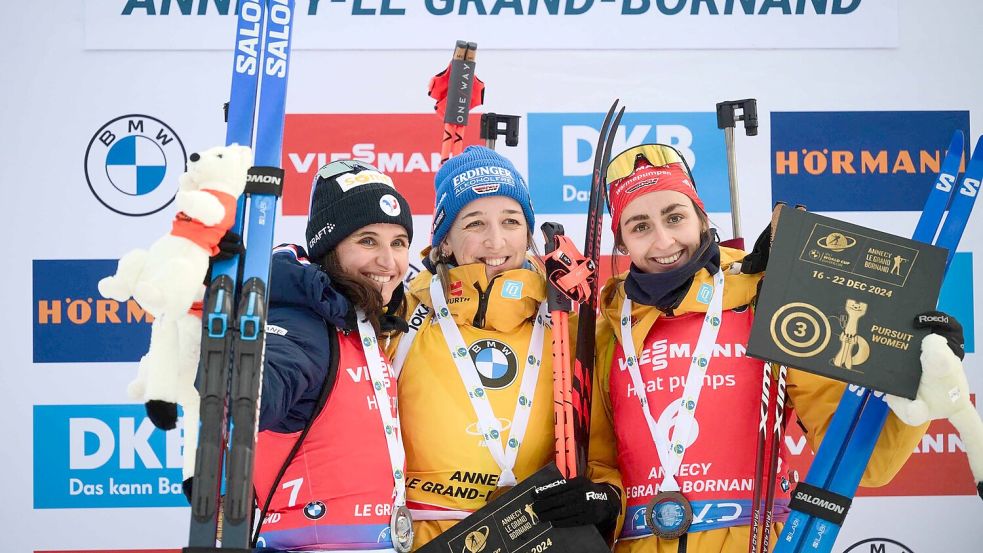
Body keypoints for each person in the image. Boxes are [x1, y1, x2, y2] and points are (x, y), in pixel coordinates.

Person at [531, 143, 956, 552]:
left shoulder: (765, 305)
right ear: (621, 243)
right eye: (640, 226)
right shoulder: (607, 333)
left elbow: (868, 460)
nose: (663, 242)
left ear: (701, 218)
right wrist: (602, 503)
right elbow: (602, 465)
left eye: (674, 217)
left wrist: (915, 377)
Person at [390, 146, 556, 550]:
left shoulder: (565, 320)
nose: (495, 240)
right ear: (445, 242)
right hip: (424, 540)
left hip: (534, 538)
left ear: (528, 234)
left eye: (511, 221)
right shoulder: (400, 313)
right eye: (475, 223)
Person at [252, 160, 416, 553]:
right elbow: (260, 395)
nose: (388, 262)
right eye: (367, 241)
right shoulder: (304, 321)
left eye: (398, 243)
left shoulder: (358, 324)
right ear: (329, 249)